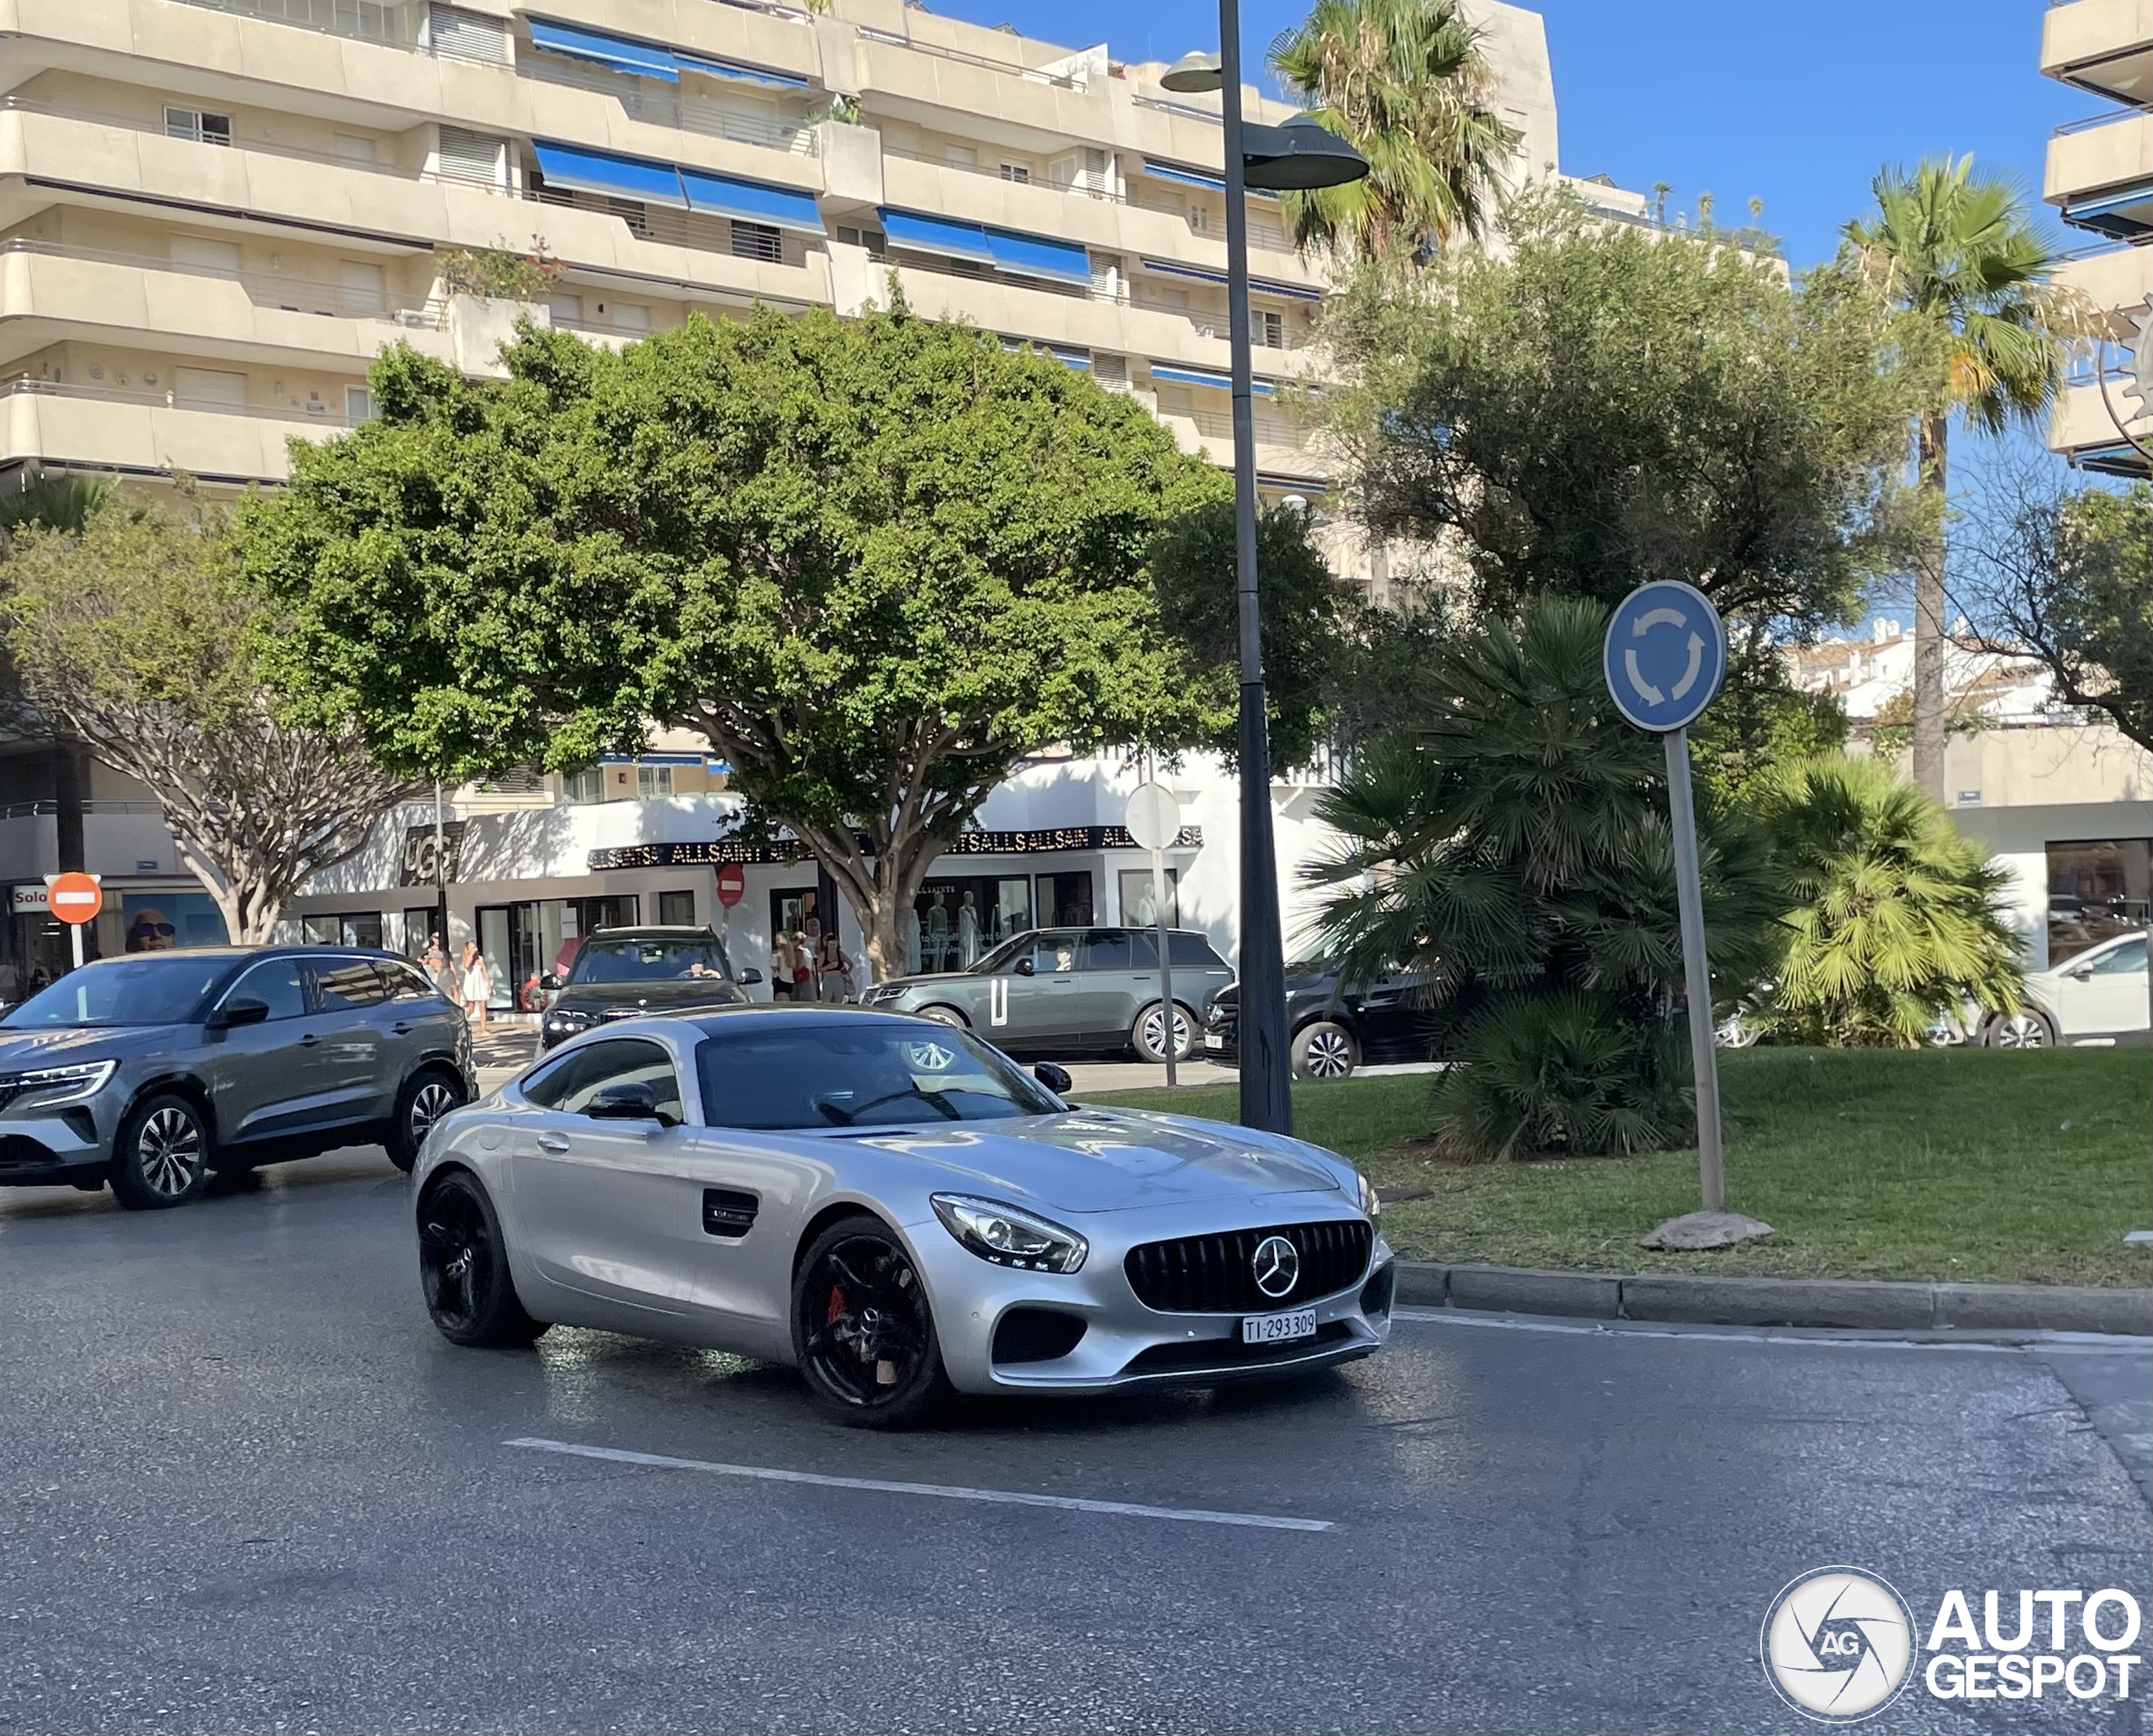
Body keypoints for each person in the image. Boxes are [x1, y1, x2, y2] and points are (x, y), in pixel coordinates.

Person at [458, 939, 490, 1031]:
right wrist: (471, 954)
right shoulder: (465, 958)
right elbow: (467, 965)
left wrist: (488, 984)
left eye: (475, 947)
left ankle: (483, 1029)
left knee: (483, 1007)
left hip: (480, 984)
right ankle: (462, 1021)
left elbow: (484, 971)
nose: (475, 949)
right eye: (472, 947)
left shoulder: (480, 959)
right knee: (471, 1008)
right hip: (471, 985)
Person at [817, 925, 853, 1003]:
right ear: (827, 945)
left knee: (838, 1003)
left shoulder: (840, 954)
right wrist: (828, 966)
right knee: (827, 1003)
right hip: (828, 979)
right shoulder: (823, 954)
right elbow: (819, 969)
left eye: (834, 944)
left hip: (839, 979)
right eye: (831, 945)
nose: (833, 947)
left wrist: (846, 974)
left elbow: (851, 963)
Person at [770, 930, 796, 1002]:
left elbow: (774, 966)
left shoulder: (778, 953)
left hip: (780, 978)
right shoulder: (790, 953)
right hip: (788, 979)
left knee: (779, 997)